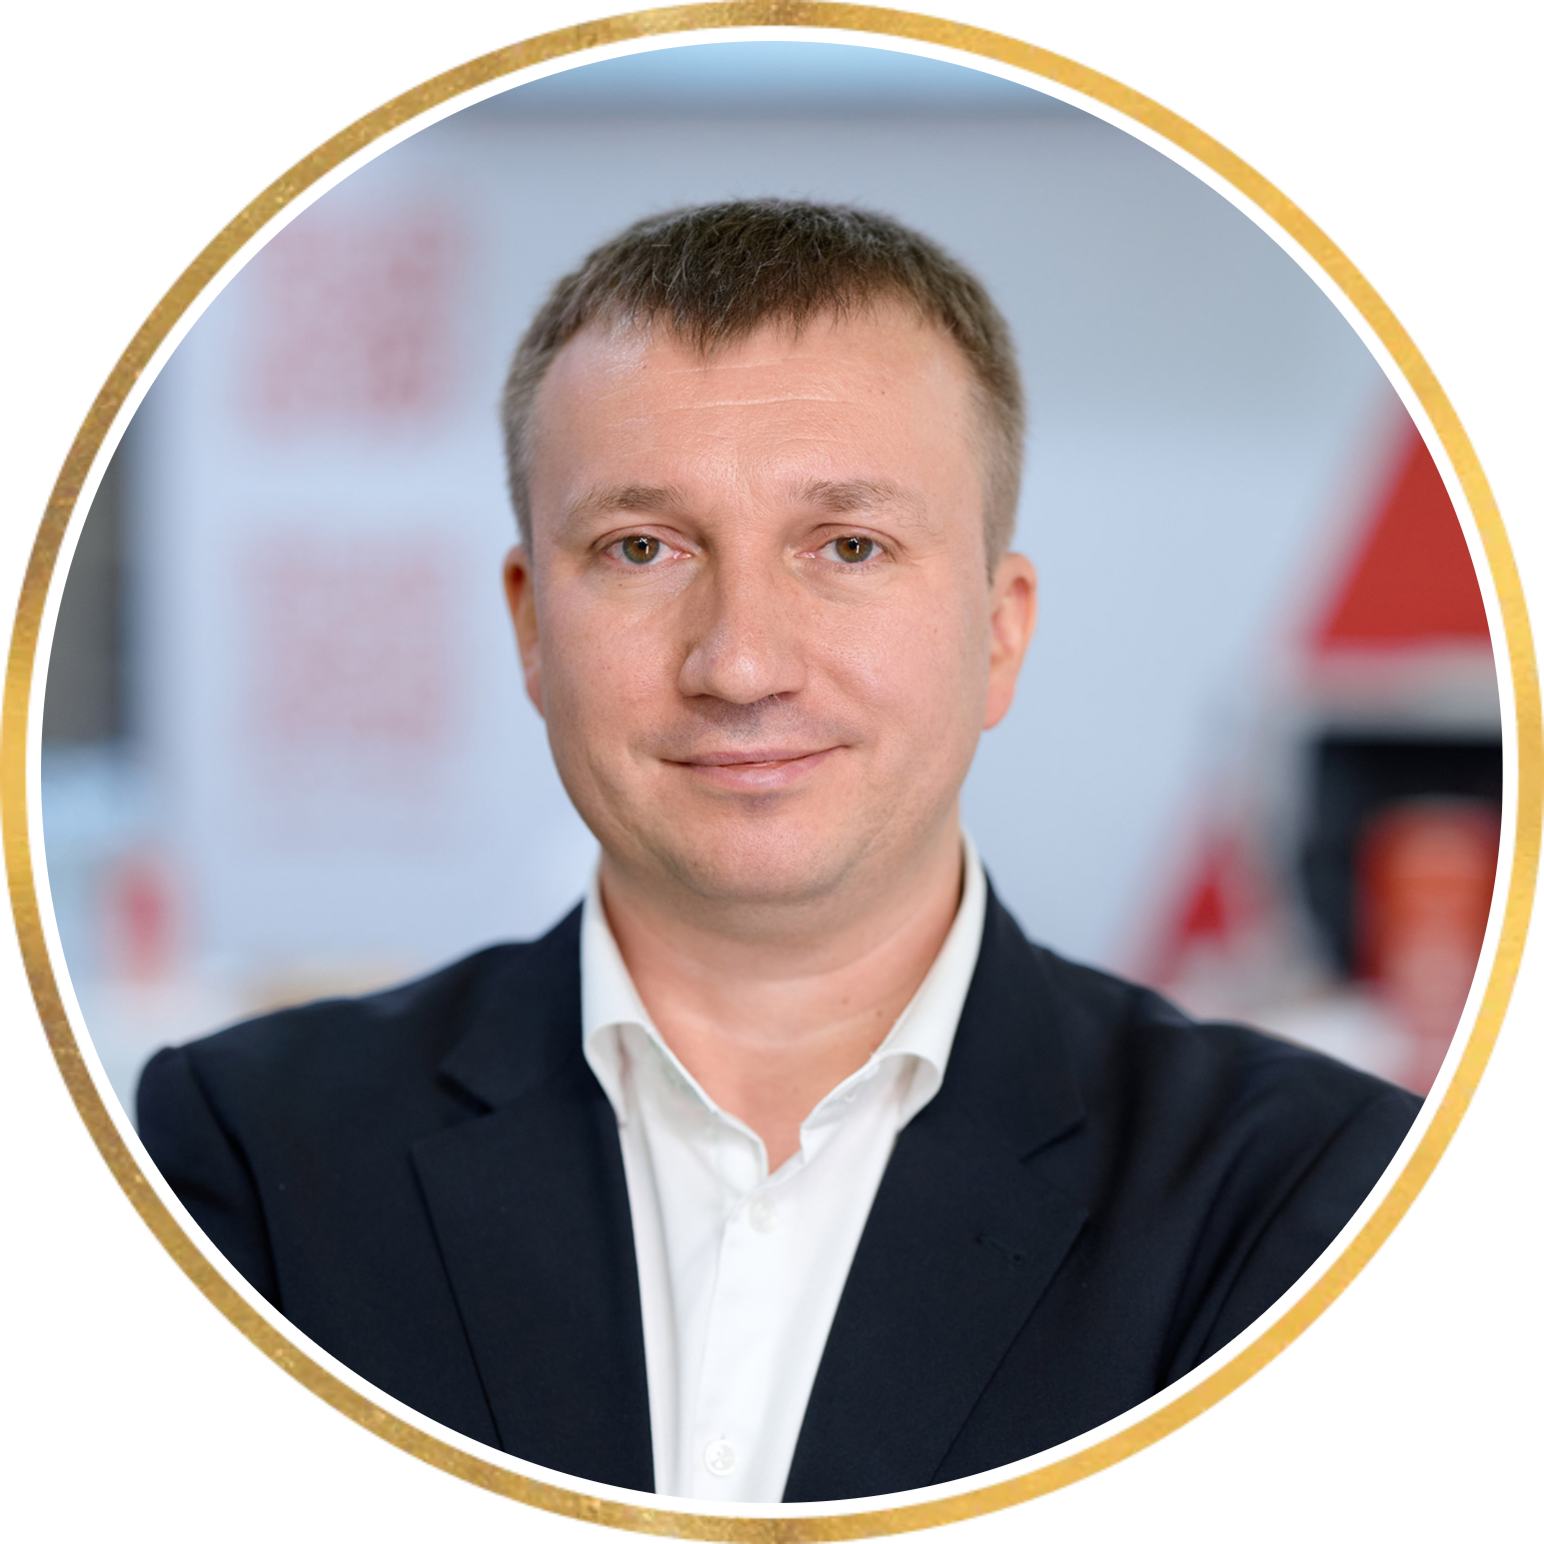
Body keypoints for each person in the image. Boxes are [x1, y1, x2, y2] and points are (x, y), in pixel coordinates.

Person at [137, 199, 1423, 1507]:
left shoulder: (1308, 1190)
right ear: (530, 628)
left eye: (849, 546)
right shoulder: (254, 1155)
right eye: (642, 548)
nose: (742, 662)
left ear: (999, 631)